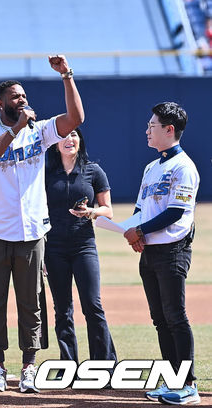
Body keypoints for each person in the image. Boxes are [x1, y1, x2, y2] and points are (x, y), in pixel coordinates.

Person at [0, 54, 84, 393]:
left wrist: (67, 75)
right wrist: (16, 128)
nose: (23, 101)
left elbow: (76, 118)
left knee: (31, 301)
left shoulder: (40, 130)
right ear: (1, 103)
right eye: (16, 98)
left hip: (32, 231)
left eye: (24, 96)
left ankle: (29, 367)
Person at [123, 102, 200, 405]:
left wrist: (140, 231)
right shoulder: (151, 167)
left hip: (172, 251)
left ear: (169, 130)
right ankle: (173, 382)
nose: (147, 130)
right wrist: (130, 229)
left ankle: (189, 385)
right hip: (150, 253)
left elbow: (177, 212)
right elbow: (142, 208)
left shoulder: (184, 167)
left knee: (175, 317)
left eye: (152, 126)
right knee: (160, 320)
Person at [44, 127, 117, 372]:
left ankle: (104, 365)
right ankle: (69, 366)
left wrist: (92, 212)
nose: (69, 139)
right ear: (55, 144)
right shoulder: (45, 173)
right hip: (53, 248)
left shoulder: (93, 171)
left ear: (80, 140)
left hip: (84, 245)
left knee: (92, 305)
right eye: (63, 136)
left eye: (74, 134)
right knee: (62, 309)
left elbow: (108, 209)